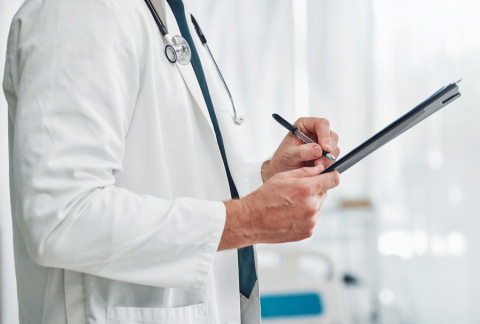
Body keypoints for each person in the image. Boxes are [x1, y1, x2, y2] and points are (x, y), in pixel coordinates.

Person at [3, 0, 340, 323]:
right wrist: (248, 219)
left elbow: (172, 175)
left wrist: (265, 180)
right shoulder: (80, 10)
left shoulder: (169, 13)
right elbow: (61, 216)